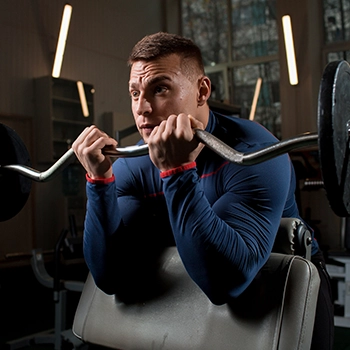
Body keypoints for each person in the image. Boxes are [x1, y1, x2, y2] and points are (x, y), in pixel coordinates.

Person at [72, 32, 333, 349]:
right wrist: (99, 183)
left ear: (201, 91)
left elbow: (226, 283)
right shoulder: (134, 165)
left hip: (284, 282)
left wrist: (177, 172)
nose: (142, 108)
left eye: (160, 89)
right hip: (196, 276)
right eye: (134, 92)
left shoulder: (256, 154)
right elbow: (109, 277)